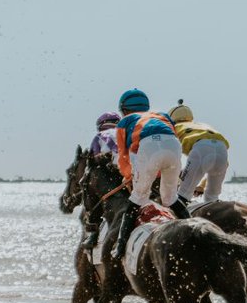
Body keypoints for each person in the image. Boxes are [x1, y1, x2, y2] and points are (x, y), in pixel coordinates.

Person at [112, 88, 189, 260]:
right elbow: (170, 141)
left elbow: (123, 155)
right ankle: (192, 227)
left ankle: (120, 247)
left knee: (136, 199)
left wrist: (128, 176)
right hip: (174, 147)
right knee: (170, 198)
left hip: (148, 147)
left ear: (124, 110)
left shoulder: (125, 122)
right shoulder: (162, 115)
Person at [168, 100, 230, 207]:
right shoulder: (203, 125)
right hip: (222, 151)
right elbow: (222, 163)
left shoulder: (172, 128)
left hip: (201, 149)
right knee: (212, 199)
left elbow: (169, 160)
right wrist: (202, 185)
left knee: (182, 196)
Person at [80, 112, 120, 249]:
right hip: (130, 171)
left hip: (111, 173)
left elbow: (92, 162)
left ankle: (93, 232)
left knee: (88, 186)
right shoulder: (126, 133)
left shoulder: (98, 137)